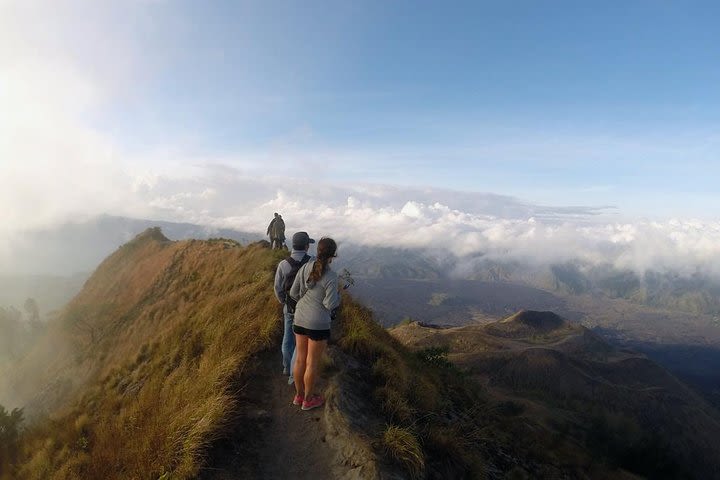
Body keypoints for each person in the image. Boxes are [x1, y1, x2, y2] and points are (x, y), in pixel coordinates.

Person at [289, 237, 340, 411]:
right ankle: (308, 400)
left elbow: (294, 292)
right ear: (333, 255)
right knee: (312, 363)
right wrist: (339, 294)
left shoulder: (304, 267)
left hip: (300, 318)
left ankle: (299, 396)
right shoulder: (332, 276)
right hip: (318, 323)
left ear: (317, 250)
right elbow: (330, 304)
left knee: (300, 360)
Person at [273, 231, 315, 384]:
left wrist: (284, 301)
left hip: (289, 307)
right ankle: (295, 372)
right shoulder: (313, 263)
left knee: (287, 338)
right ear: (306, 246)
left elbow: (277, 288)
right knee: (301, 342)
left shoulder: (283, 264)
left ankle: (286, 367)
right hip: (308, 309)